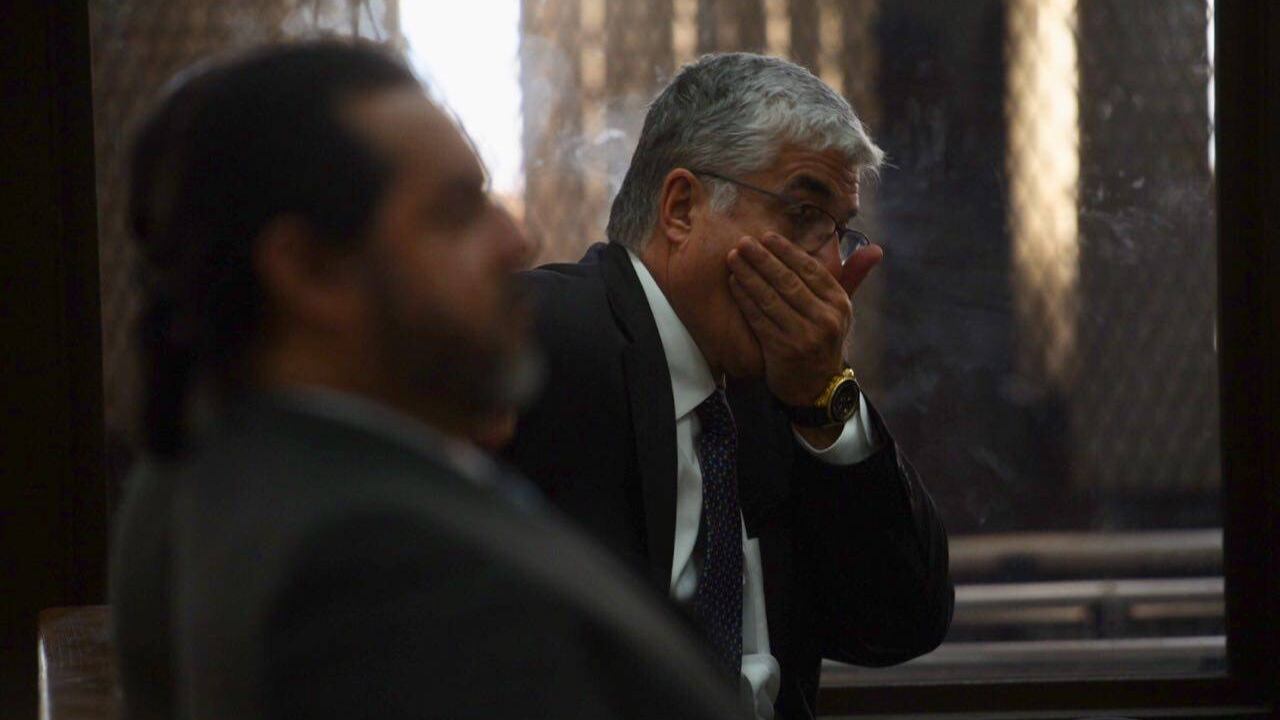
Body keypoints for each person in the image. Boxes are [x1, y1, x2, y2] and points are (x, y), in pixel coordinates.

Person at [108, 40, 744, 720]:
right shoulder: (380, 574)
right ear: (310, 271)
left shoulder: (212, 472)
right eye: (456, 212)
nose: (516, 241)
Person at [503, 52, 954, 720]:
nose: (827, 269)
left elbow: (899, 622)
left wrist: (825, 399)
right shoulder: (533, 341)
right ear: (682, 208)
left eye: (836, 233)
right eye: (802, 213)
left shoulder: (779, 390)